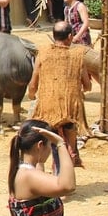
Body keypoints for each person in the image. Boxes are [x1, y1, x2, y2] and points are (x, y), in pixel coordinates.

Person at [28, 22, 91, 166]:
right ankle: (71, 156)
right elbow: (87, 85)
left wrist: (32, 95)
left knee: (42, 143)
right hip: (70, 110)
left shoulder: (42, 53)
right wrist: (83, 89)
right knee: (70, 132)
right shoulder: (78, 55)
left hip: (46, 110)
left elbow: (33, 83)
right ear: (70, 36)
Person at [7, 120, 76, 216]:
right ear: (40, 145)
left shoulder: (21, 169)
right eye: (50, 145)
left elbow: (39, 172)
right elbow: (68, 186)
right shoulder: (28, 176)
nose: (50, 149)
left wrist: (40, 160)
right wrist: (60, 144)